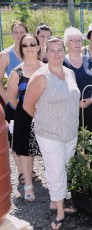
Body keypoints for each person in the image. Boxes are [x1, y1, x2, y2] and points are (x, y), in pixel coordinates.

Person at [23, 37, 80, 230]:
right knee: (55, 171)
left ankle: (55, 201)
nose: (56, 54)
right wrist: (44, 121)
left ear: (64, 52)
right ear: (46, 53)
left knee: (64, 168)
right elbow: (28, 106)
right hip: (49, 134)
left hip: (70, 132)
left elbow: (72, 99)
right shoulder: (41, 76)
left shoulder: (70, 73)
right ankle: (60, 211)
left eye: (59, 50)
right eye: (52, 51)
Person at [7, 34, 43, 202]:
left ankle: (56, 187)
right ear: (21, 49)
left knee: (47, 149)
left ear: (38, 46)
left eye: (32, 44)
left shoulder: (46, 68)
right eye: (25, 45)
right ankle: (28, 185)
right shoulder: (17, 72)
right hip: (24, 115)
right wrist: (25, 108)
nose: (29, 47)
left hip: (45, 115)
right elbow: (11, 98)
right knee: (26, 152)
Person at [0, 21, 28, 182]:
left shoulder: (30, 52)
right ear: (11, 34)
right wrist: (7, 100)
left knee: (28, 137)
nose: (19, 35)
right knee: (16, 139)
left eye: (21, 32)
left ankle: (28, 168)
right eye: (15, 32)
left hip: (30, 104)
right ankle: (22, 172)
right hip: (13, 104)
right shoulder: (5, 55)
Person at [63, 27, 92, 132]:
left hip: (90, 105)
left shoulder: (87, 59)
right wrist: (76, 104)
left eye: (79, 40)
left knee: (90, 139)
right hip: (71, 108)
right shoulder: (62, 61)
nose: (77, 43)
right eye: (73, 40)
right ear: (66, 43)